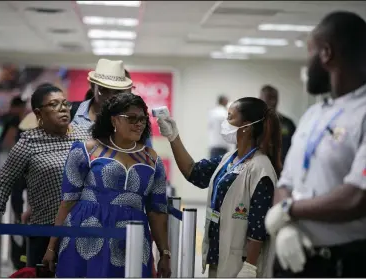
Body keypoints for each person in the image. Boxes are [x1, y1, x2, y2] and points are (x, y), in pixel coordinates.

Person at [264, 11, 366, 278]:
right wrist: (286, 226)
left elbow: (357, 197)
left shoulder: (362, 113)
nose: (306, 65)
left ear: (326, 53)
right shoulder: (312, 116)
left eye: (309, 54)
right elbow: (285, 183)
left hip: (343, 263)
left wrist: (287, 210)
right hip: (292, 257)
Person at [42, 93, 171, 278]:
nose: (139, 124)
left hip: (131, 240)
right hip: (85, 234)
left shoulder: (152, 159)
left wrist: (164, 253)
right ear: (114, 120)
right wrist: (51, 247)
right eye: (132, 118)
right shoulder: (87, 150)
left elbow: (157, 211)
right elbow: (67, 202)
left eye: (142, 119)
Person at [157, 97, 282, 277]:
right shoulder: (229, 159)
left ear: (246, 126)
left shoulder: (260, 168)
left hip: (241, 264)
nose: (225, 123)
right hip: (218, 257)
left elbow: (258, 224)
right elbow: (194, 172)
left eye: (230, 117)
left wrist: (250, 267)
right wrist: (173, 137)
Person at [0, 85, 90, 268]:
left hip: (84, 230)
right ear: (38, 113)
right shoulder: (29, 142)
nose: (62, 108)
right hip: (45, 231)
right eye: (53, 104)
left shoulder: (85, 136)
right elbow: (2, 183)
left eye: (64, 103)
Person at [259, 85, 296, 164]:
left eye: (275, 98)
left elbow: (296, 148)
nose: (273, 102)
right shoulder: (251, 125)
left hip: (282, 170)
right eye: (269, 98)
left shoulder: (288, 123)